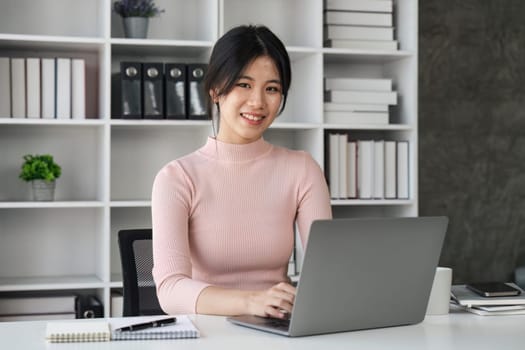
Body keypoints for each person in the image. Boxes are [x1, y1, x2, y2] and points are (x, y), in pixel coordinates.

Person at [151, 24, 332, 319]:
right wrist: (252, 302)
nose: (258, 102)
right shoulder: (177, 178)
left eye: (271, 88)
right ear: (215, 91)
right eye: (243, 85)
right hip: (209, 332)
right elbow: (170, 290)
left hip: (279, 329)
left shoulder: (302, 170)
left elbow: (328, 271)